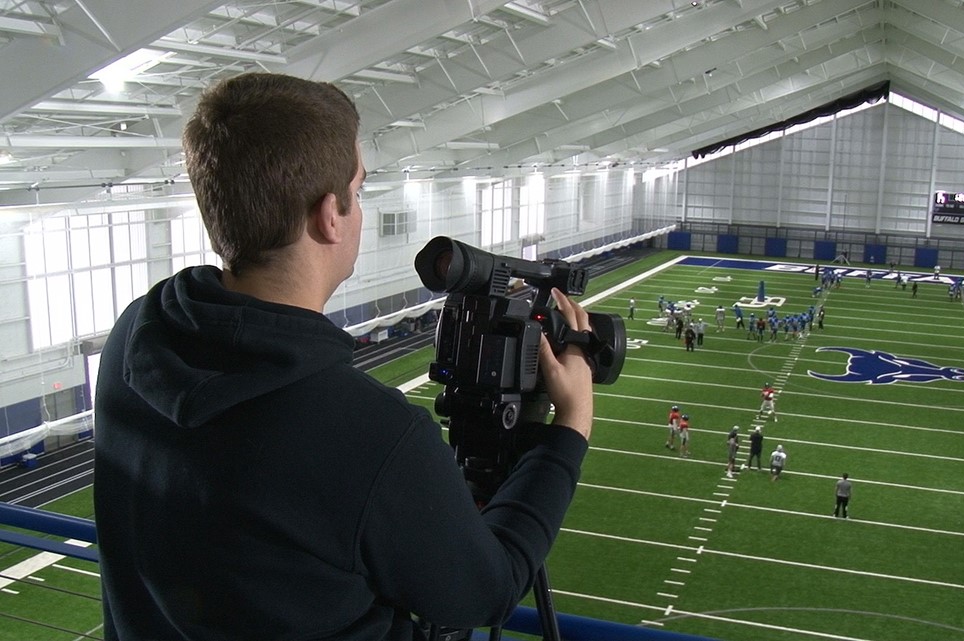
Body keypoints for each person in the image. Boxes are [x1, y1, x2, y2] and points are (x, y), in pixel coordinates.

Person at [93, 73, 597, 641]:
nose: (359, 209)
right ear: (329, 215)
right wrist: (570, 427)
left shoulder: (132, 337)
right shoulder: (368, 431)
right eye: (358, 190)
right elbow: (486, 591)